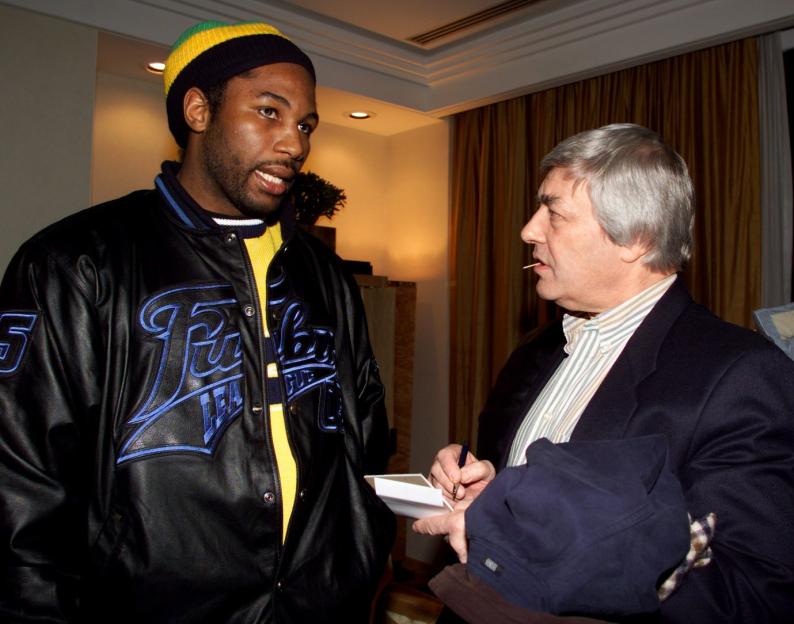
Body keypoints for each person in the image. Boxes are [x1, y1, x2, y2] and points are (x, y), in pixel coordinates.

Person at [0, 20, 394, 623]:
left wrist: (361, 559)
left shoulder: (323, 273)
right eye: (269, 111)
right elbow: (23, 476)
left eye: (305, 124)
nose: (295, 144)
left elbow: (363, 435)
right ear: (197, 109)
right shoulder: (76, 262)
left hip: (319, 606)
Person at [414, 124, 794, 623]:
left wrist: (545, 541)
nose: (529, 230)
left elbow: (755, 592)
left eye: (553, 212)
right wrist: (498, 495)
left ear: (635, 238)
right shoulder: (536, 350)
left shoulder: (741, 375)